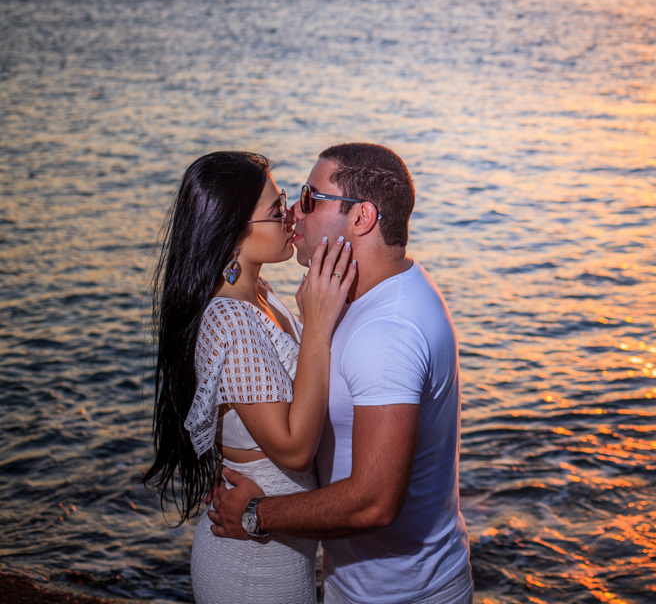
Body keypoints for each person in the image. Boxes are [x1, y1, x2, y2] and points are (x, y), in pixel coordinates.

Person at [209, 143, 472, 604]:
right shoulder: (366, 291)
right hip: (357, 583)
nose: (294, 213)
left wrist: (257, 512)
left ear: (361, 218)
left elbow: (374, 501)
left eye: (310, 199)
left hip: (401, 595)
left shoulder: (386, 330)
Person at [143, 151, 356, 604]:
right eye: (276, 211)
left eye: (285, 201)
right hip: (250, 571)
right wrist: (316, 325)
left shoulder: (261, 295)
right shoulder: (230, 319)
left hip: (280, 554)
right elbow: (295, 449)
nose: (292, 215)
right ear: (234, 233)